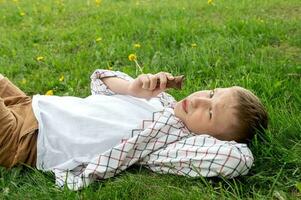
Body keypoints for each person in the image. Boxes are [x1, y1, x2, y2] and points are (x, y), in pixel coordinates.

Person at [0, 70, 268, 189]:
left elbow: (236, 160)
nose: (198, 100)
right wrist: (132, 88)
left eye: (209, 113)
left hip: (24, 139)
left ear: (208, 139)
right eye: (211, 93)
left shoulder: (171, 145)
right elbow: (101, 81)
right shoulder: (163, 100)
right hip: (29, 104)